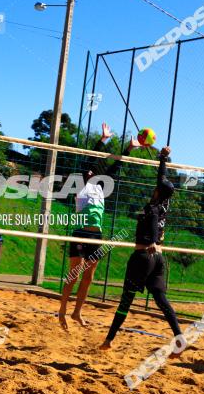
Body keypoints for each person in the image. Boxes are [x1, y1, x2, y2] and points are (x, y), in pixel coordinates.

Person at [59, 122, 142, 330]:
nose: (89, 171)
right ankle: (62, 311)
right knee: (74, 274)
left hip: (97, 237)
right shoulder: (80, 184)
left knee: (88, 277)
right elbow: (90, 157)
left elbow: (115, 166)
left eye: (91, 171)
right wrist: (103, 140)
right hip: (80, 233)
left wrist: (129, 149)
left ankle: (77, 312)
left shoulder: (101, 187)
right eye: (87, 170)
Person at [101, 146, 181, 351]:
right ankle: (179, 337)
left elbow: (153, 221)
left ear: (157, 190)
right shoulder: (165, 203)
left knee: (126, 301)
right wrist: (163, 158)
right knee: (161, 300)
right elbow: (162, 178)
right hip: (158, 260)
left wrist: (152, 240)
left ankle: (109, 341)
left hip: (144, 256)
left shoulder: (152, 207)